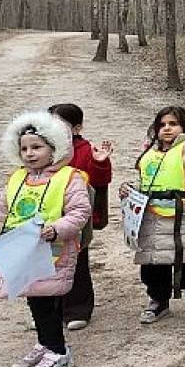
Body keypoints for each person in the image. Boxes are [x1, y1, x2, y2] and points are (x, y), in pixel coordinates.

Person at [0, 111, 91, 367]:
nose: (30, 154)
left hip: (53, 253)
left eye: (37, 147)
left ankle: (58, 352)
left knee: (46, 303)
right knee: (35, 300)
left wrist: (56, 229)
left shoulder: (69, 177)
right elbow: (0, 217)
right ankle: (46, 343)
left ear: (54, 148)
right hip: (22, 252)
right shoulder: (17, 179)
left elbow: (80, 213)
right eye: (24, 149)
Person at [119, 106, 185, 324]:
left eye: (173, 124)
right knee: (153, 264)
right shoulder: (149, 153)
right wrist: (129, 190)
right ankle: (158, 300)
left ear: (184, 127)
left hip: (184, 215)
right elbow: (144, 181)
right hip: (151, 217)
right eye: (162, 125)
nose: (167, 128)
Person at [47, 103, 113, 331]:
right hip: (48, 217)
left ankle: (78, 309)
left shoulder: (85, 150)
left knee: (77, 263)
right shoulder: (44, 148)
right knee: (48, 264)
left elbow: (99, 181)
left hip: (76, 218)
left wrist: (100, 162)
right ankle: (50, 310)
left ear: (76, 128)